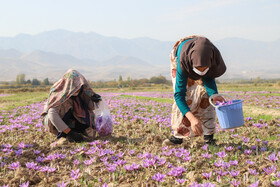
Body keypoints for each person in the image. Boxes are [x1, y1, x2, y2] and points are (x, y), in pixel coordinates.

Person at [163, 35, 226, 146]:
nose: (201, 72)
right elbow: (179, 95)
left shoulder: (211, 57)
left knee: (206, 95)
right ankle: (178, 136)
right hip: (182, 59)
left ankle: (209, 138)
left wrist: (214, 95)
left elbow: (208, 77)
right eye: (198, 69)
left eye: (204, 69)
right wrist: (192, 119)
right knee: (187, 96)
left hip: (198, 58)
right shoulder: (183, 63)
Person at [41, 69, 102, 143]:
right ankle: (63, 136)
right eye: (74, 86)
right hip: (56, 122)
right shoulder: (59, 93)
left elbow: (91, 107)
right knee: (65, 105)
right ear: (69, 85)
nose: (77, 89)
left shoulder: (81, 91)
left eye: (78, 86)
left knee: (85, 121)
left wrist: (93, 99)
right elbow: (52, 115)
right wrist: (70, 132)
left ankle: (74, 133)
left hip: (73, 121)